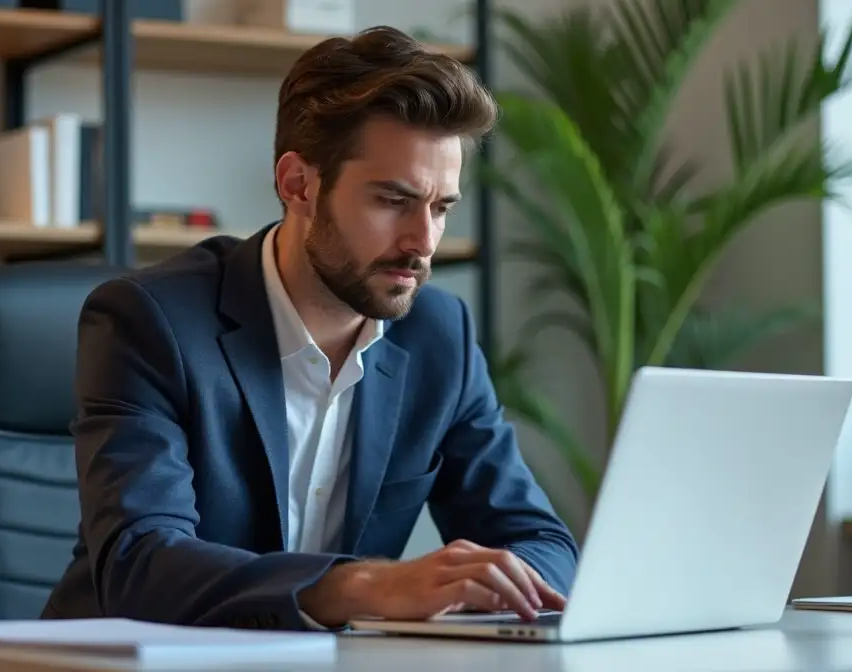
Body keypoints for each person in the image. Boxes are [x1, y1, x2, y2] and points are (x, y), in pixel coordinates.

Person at [40, 26, 578, 631]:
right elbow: (140, 566)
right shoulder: (149, 321)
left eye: (441, 207)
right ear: (298, 184)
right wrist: (365, 585)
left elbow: (540, 541)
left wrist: (495, 584)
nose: (423, 242)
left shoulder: (438, 334)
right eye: (393, 200)